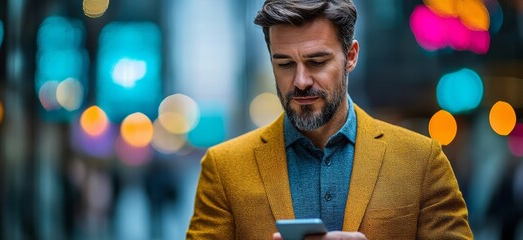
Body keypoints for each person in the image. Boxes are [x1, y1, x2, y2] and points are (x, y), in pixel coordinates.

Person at [186, 0, 473, 239]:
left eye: (317, 62)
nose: (300, 81)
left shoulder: (422, 161)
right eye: (284, 64)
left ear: (351, 56)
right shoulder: (223, 169)